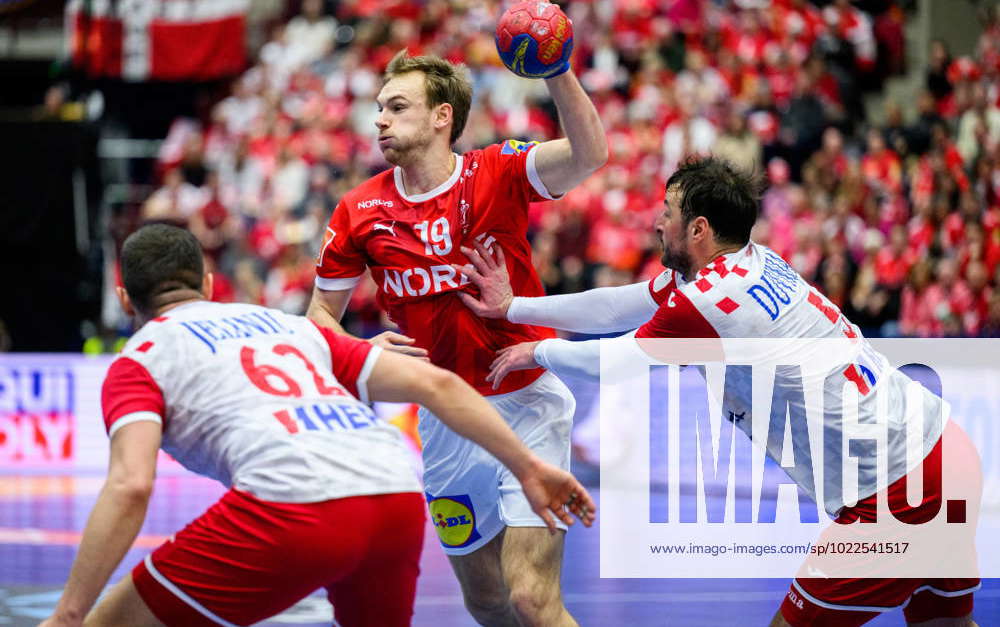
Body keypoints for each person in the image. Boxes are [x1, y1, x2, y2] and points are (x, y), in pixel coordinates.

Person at [454, 157, 982, 627]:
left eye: (668, 212)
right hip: (945, 451)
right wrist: (516, 309)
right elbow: (618, 306)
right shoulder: (751, 262)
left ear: (698, 229)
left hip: (898, 490)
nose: (658, 222)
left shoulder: (709, 300)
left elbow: (618, 361)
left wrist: (536, 351)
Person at [40, 224, 595, 627]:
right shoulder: (287, 327)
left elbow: (132, 484)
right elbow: (439, 385)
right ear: (208, 283)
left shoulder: (141, 358)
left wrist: (67, 614)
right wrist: (529, 467)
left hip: (292, 505)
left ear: (123, 298)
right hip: (391, 494)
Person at [307, 46, 607, 626]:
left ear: (442, 116)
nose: (380, 120)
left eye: (397, 107)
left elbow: (591, 154)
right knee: (487, 600)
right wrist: (356, 348)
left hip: (527, 401)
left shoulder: (499, 171)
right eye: (378, 109)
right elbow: (321, 313)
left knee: (531, 598)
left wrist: (558, 70)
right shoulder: (359, 210)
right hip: (445, 416)